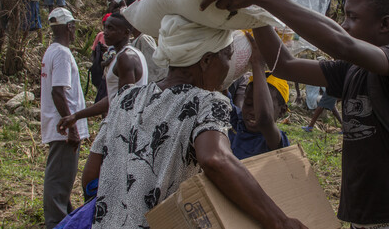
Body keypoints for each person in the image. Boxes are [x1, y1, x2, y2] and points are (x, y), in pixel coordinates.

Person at [195, 0, 389, 227]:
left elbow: (341, 43)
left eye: (352, 18)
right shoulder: (352, 71)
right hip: (363, 221)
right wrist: (256, 16)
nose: (344, 26)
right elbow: (285, 65)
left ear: (384, 24)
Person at [78, 22, 306, 229]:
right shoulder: (207, 102)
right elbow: (215, 160)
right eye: (227, 56)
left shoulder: (126, 96)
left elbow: (90, 176)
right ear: (207, 61)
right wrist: (279, 221)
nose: (229, 68)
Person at [57, 13, 149, 137]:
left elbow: (125, 103)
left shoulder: (125, 58)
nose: (105, 32)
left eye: (111, 28)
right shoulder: (128, 54)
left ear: (126, 33)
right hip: (123, 127)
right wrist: (76, 116)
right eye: (105, 27)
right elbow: (114, 97)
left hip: (123, 129)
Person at [41, 8, 90, 229]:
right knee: (59, 179)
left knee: (64, 177)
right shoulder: (61, 53)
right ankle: (56, 223)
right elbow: (58, 92)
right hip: (63, 129)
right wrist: (71, 127)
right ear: (69, 27)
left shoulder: (52, 51)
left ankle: (66, 217)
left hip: (59, 125)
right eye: (74, 26)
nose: (74, 30)